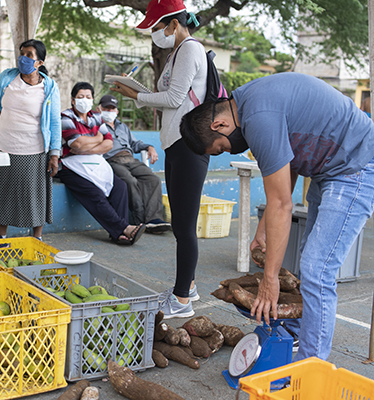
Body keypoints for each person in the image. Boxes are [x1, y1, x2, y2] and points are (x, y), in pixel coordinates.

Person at [179, 72, 374, 361]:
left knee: (317, 269)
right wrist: (263, 229)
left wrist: (270, 280)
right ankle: (297, 332)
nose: (228, 150)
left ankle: (311, 366)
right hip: (329, 168)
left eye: (221, 147)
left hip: (355, 165)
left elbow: (282, 204)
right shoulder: (247, 102)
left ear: (219, 124)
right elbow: (286, 166)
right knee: (309, 261)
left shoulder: (258, 117)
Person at [110, 0, 206, 317]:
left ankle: (181, 301)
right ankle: (188, 286)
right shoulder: (177, 52)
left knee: (184, 226)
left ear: (174, 24)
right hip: (175, 144)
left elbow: (174, 98)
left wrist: (134, 95)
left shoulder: (189, 49)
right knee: (180, 223)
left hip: (189, 145)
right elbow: (172, 96)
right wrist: (136, 91)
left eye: (157, 27)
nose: (154, 33)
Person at [0, 39, 61, 241]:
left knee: (35, 195)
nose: (23, 58)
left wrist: (54, 154)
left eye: (29, 55)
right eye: (22, 53)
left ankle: (36, 239)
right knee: (4, 194)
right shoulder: (8, 77)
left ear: (40, 62)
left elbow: (55, 122)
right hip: (4, 147)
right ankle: (1, 238)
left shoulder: (49, 87)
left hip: (34, 150)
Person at [57, 82, 146, 245]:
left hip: (95, 162)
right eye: (80, 97)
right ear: (73, 100)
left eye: (88, 97)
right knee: (95, 193)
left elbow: (109, 143)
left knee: (120, 187)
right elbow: (76, 144)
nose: (84, 100)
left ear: (92, 100)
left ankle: (118, 234)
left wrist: (87, 147)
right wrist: (98, 138)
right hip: (70, 165)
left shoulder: (96, 117)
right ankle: (123, 229)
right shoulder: (66, 117)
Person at [98, 94, 170, 233]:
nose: (109, 111)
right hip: (112, 160)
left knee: (153, 179)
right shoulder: (96, 126)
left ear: (117, 111)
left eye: (112, 108)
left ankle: (153, 219)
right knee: (130, 181)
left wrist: (149, 147)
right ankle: (140, 220)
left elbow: (135, 144)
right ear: (99, 108)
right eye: (106, 108)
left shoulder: (122, 126)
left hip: (130, 159)